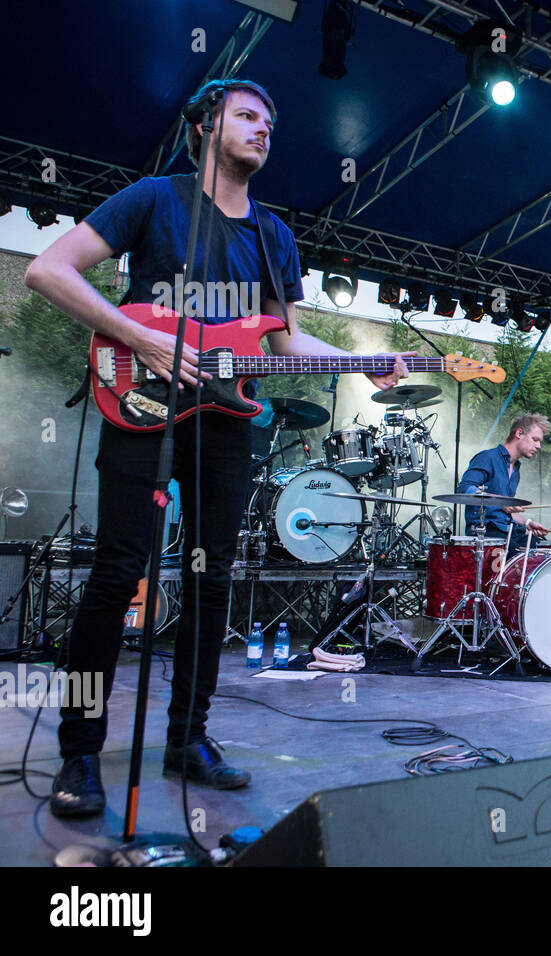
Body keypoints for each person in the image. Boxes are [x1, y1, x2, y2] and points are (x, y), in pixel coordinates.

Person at [24, 79, 409, 818]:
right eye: (246, 116)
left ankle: (189, 738)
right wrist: (141, 337)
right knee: (114, 578)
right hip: (141, 406)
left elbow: (283, 335)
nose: (263, 129)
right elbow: (49, 269)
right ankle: (79, 749)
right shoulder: (154, 199)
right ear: (206, 126)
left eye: (270, 120)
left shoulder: (273, 234)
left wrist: (355, 361)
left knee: (210, 583)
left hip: (227, 424)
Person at [456, 413, 551, 555]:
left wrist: (527, 522)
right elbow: (464, 488)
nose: (538, 446)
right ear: (519, 433)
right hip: (486, 533)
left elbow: (505, 512)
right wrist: (499, 502)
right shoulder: (487, 458)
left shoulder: (516, 470)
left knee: (545, 550)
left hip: (509, 531)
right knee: (520, 556)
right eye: (535, 439)